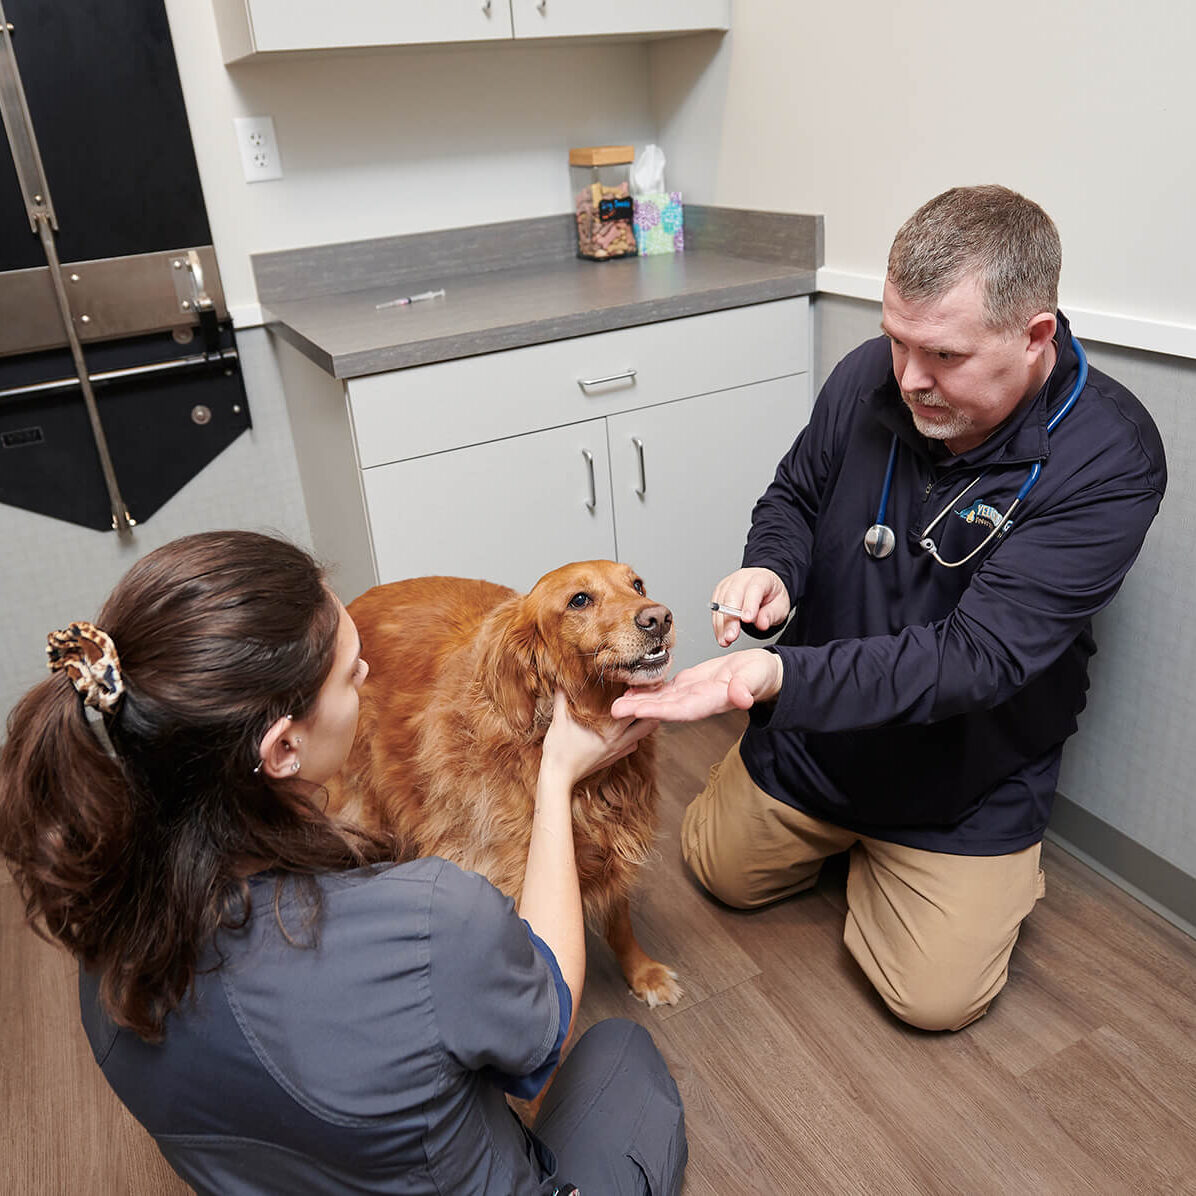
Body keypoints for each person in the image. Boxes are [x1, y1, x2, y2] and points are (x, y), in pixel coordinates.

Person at [612, 185, 1167, 1032]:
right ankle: (846, 838)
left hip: (963, 776)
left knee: (934, 1001)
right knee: (715, 870)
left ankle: (912, 860)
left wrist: (772, 673)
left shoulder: (1109, 459)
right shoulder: (870, 377)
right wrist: (774, 572)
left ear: (1035, 336)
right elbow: (794, 497)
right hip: (822, 737)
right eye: (895, 339)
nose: (909, 378)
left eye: (943, 355)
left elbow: (974, 659)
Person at [0, 530, 686, 1195]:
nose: (369, 673)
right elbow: (544, 1028)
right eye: (351, 672)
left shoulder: (104, 947)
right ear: (283, 749)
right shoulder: (431, 915)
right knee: (621, 1051)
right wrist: (558, 777)